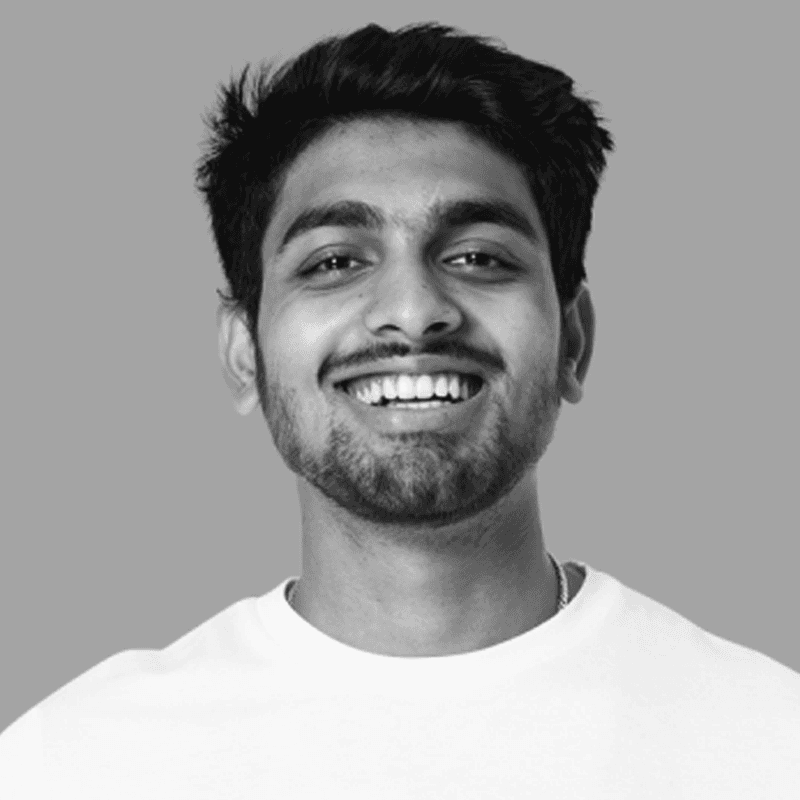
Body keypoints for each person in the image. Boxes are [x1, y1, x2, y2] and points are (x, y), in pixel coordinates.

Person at [1, 21, 798, 799]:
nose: (414, 311)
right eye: (336, 261)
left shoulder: (772, 741)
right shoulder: (68, 762)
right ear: (244, 351)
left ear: (573, 343)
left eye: (479, 257)